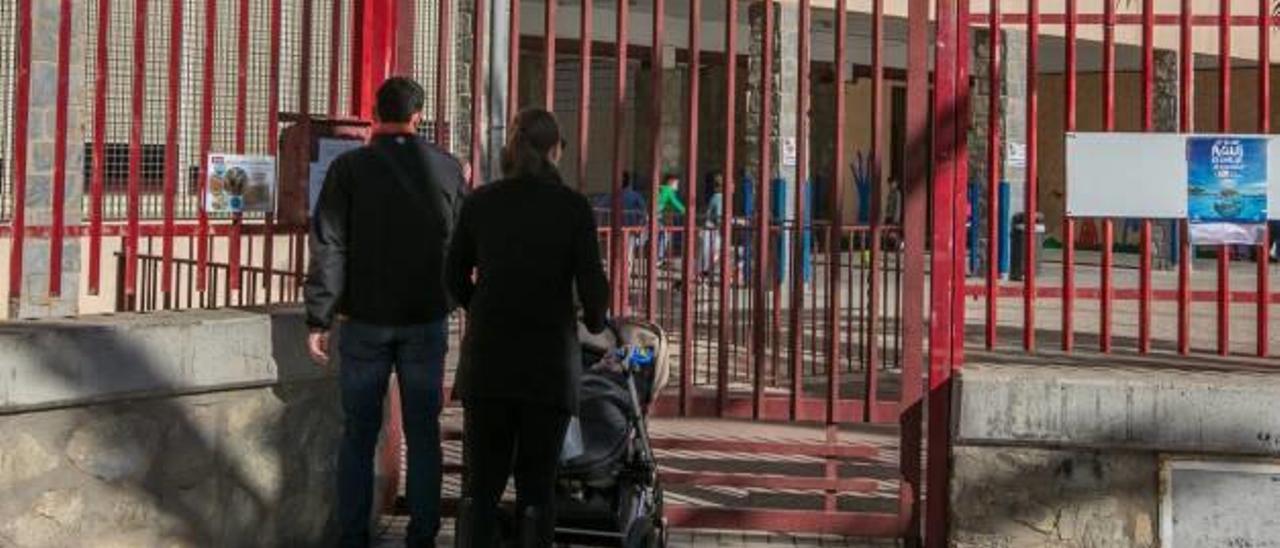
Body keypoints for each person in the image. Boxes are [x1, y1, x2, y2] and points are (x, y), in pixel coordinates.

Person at [305, 77, 466, 548]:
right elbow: (462, 241)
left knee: (358, 433)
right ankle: (423, 534)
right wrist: (453, 298)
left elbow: (329, 244)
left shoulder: (349, 170)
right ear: (419, 116)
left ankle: (354, 534)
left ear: (375, 113)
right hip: (424, 318)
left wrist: (320, 315)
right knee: (424, 431)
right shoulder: (446, 168)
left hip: (362, 321)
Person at [447, 108, 610, 548]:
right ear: (556, 150)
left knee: (481, 486)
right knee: (537, 486)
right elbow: (593, 287)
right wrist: (595, 322)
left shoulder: (481, 201)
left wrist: (480, 306)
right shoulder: (573, 208)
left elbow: (452, 274)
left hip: (488, 361)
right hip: (547, 366)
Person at [656, 174, 686, 263]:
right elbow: (675, 203)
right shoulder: (668, 190)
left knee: (662, 235)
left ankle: (659, 256)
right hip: (658, 216)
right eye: (676, 183)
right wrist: (687, 211)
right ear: (671, 182)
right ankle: (659, 257)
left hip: (657, 215)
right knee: (664, 236)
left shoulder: (662, 189)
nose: (677, 186)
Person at [700, 171, 726, 277]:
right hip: (712, 230)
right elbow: (719, 218)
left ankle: (704, 275)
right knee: (711, 256)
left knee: (709, 257)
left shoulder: (716, 197)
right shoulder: (720, 198)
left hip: (710, 229)